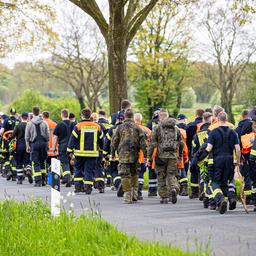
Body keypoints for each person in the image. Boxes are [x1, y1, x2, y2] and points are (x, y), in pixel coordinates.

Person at [206, 112, 241, 214]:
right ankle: (230, 198)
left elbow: (209, 148)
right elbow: (238, 149)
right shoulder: (233, 133)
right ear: (227, 119)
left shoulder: (213, 132)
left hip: (217, 160)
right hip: (229, 159)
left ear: (217, 119)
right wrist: (237, 163)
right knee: (227, 181)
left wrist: (201, 156)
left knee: (214, 182)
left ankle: (221, 199)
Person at [111, 109, 147, 204]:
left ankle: (127, 196)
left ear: (125, 116)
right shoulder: (138, 128)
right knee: (134, 173)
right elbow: (143, 143)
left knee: (124, 175)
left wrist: (112, 153)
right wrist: (146, 156)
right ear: (132, 116)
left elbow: (114, 141)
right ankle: (134, 194)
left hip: (123, 155)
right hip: (135, 155)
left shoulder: (119, 127)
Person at [148, 109, 183, 204]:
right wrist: (180, 155)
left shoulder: (157, 128)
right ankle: (174, 189)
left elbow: (152, 144)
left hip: (161, 156)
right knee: (171, 175)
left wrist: (149, 157)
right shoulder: (176, 128)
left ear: (159, 117)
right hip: (173, 156)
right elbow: (181, 143)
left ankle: (164, 197)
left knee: (161, 175)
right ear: (167, 116)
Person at [67, 108, 104, 194]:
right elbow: (102, 140)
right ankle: (88, 188)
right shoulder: (97, 126)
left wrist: (69, 151)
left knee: (78, 169)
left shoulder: (78, 126)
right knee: (89, 170)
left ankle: (78, 187)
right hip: (92, 154)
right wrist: (101, 151)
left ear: (82, 116)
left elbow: (72, 140)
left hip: (79, 154)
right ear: (90, 115)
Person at [191, 112, 213, 204]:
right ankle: (209, 195)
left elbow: (194, 149)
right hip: (212, 158)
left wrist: (194, 158)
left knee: (202, 177)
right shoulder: (213, 132)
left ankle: (203, 192)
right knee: (211, 178)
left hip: (201, 159)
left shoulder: (197, 135)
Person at [25, 107, 49, 187]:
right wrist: (47, 145)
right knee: (43, 162)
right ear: (39, 112)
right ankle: (44, 181)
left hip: (34, 144)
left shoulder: (29, 123)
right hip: (43, 143)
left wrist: (27, 146)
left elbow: (27, 137)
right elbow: (48, 135)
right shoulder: (44, 123)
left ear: (32, 112)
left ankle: (38, 182)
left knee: (35, 162)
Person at [103, 112, 125, 195]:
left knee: (113, 171)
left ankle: (118, 183)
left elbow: (107, 142)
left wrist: (105, 154)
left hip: (114, 156)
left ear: (116, 120)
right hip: (125, 155)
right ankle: (123, 184)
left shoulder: (112, 129)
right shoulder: (128, 128)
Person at [53, 109, 75, 187]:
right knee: (72, 163)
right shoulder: (74, 124)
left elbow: (55, 137)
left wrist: (54, 147)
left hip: (63, 146)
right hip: (72, 146)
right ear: (68, 115)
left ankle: (67, 176)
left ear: (61, 115)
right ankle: (73, 179)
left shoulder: (59, 125)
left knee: (64, 162)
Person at [11, 112, 32, 184]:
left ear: (21, 118)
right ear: (28, 118)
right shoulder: (30, 126)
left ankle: (20, 179)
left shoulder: (18, 126)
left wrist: (9, 136)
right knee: (28, 161)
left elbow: (13, 136)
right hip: (28, 145)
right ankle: (28, 170)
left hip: (19, 145)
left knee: (19, 162)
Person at [134, 113, 151, 200]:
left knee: (132, 174)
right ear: (141, 120)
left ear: (134, 119)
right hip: (143, 156)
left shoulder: (131, 129)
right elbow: (151, 143)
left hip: (132, 156)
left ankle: (132, 192)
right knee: (141, 174)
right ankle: (139, 192)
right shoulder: (147, 130)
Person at [0, 108, 20, 180]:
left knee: (6, 157)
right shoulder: (18, 121)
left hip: (7, 142)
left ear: (10, 112)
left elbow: (1, 131)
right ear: (15, 113)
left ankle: (8, 171)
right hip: (16, 142)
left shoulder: (6, 120)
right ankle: (14, 175)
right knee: (14, 157)